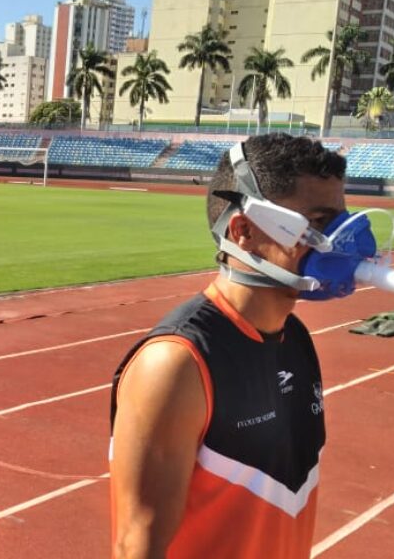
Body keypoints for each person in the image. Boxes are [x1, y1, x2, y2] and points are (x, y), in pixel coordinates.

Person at [109, 134, 358, 558]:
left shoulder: (295, 338)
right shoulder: (177, 365)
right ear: (243, 230)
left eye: (342, 221)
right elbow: (137, 545)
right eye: (319, 222)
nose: (341, 241)